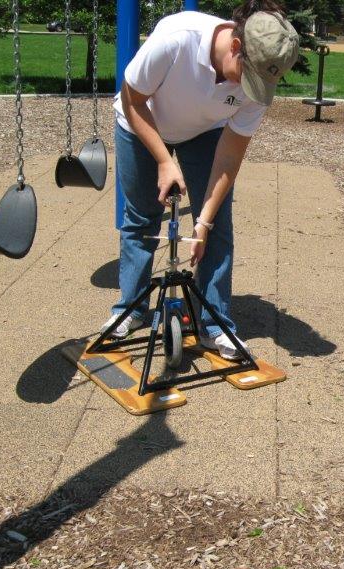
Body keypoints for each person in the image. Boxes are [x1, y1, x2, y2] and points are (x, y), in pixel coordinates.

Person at [103, 1, 299, 360]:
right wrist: (164, 159)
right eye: (247, 76)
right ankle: (129, 311)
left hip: (204, 130)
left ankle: (214, 324)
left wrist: (204, 219)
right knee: (142, 216)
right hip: (140, 120)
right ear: (236, 46)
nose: (249, 88)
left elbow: (231, 154)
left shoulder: (259, 84)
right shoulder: (177, 39)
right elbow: (133, 100)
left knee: (218, 224)